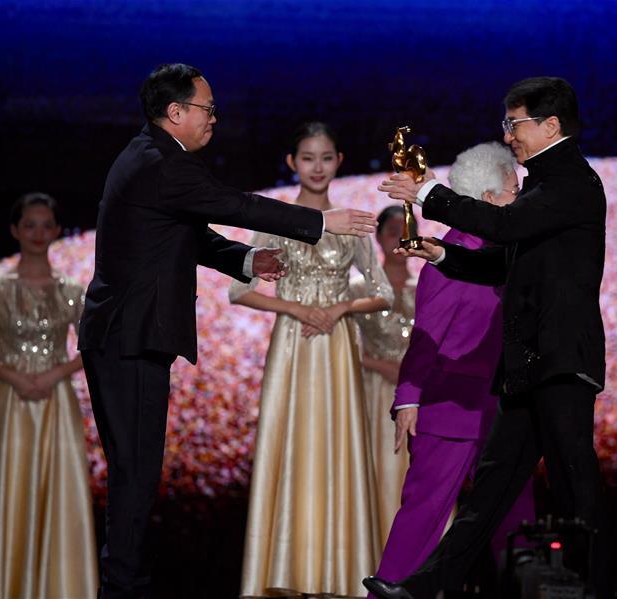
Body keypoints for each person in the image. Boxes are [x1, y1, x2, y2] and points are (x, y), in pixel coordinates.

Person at [78, 65, 375, 598]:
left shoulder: (151, 156)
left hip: (122, 335)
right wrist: (320, 222)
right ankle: (123, 588)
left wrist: (245, 259)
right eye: (207, 109)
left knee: (134, 471)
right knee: (135, 472)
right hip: (129, 337)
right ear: (176, 112)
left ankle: (125, 584)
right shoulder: (163, 163)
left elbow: (189, 234)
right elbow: (236, 203)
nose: (214, 118)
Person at [366, 76, 607, 599]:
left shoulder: (569, 182)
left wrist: (428, 193)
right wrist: (444, 254)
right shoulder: (543, 185)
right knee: (493, 489)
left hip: (560, 362)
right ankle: (420, 588)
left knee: (573, 486)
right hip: (527, 367)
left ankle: (595, 588)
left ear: (551, 125)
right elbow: (502, 260)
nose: (508, 134)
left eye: (514, 124)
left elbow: (503, 229)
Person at [230, 122, 394, 598]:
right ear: (292, 163)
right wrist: (298, 308)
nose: (317, 167)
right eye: (307, 158)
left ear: (339, 161)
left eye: (325, 157)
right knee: (292, 443)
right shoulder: (276, 218)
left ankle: (338, 572)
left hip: (337, 345)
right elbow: (239, 290)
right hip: (293, 344)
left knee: (336, 447)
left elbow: (382, 293)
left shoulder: (354, 222)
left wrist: (340, 308)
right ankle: (283, 570)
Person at [373, 142, 538, 594]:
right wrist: (408, 398)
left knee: (515, 514)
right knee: (425, 513)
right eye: (513, 189)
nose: (520, 195)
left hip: (503, 405)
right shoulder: (450, 255)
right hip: (451, 406)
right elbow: (427, 334)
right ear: (488, 198)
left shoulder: (511, 252)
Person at [0, 193, 98, 599]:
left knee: (57, 492)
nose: (38, 233)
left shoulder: (71, 291)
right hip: (11, 405)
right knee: (8, 492)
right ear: (15, 230)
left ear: (57, 231)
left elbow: (93, 347)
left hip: (56, 403)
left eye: (46, 225)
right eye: (29, 225)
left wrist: (53, 374)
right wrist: (16, 378)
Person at [351, 205, 415, 544]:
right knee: (378, 468)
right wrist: (379, 365)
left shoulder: (428, 285)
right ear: (377, 237)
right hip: (374, 392)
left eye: (407, 230)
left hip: (419, 394)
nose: (399, 238)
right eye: (392, 231)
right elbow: (343, 344)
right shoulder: (360, 290)